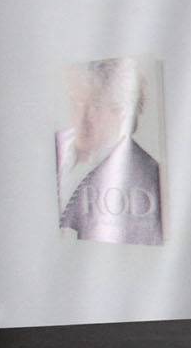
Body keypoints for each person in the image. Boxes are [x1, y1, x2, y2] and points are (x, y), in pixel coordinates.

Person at [55, 57, 163, 246]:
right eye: (78, 103)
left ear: (121, 111)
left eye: (96, 106)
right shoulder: (54, 147)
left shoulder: (149, 176)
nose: (83, 118)